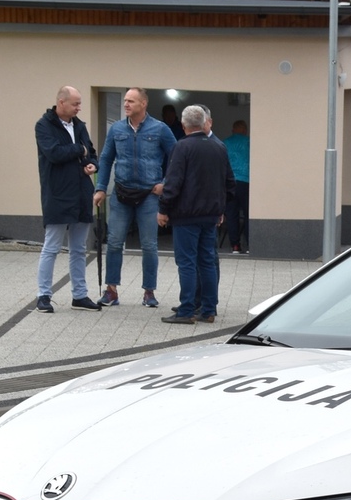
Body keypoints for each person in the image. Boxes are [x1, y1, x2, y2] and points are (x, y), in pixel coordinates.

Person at [93, 87, 177, 308]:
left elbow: (178, 158)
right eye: (125, 101)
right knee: (113, 242)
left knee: (149, 245)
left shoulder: (160, 129)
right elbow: (106, 158)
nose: (126, 104)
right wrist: (100, 188)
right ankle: (111, 290)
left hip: (149, 196)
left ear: (143, 104)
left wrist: (165, 184)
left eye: (131, 101)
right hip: (121, 195)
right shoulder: (117, 129)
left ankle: (149, 292)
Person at [157, 105, 234, 325]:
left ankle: (186, 310)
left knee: (187, 263)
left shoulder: (182, 147)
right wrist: (220, 209)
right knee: (207, 262)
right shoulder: (219, 147)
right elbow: (229, 182)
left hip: (186, 216)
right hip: (210, 216)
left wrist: (163, 209)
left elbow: (173, 183)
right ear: (204, 123)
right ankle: (209, 309)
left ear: (183, 126)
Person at [32, 86, 100, 312]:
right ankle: (43, 295)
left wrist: (92, 163)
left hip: (81, 192)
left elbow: (89, 151)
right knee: (51, 246)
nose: (79, 108)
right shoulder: (44, 125)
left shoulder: (79, 125)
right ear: (61, 102)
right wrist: (78, 150)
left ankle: (79, 295)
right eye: (75, 104)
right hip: (58, 193)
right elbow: (54, 153)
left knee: (79, 248)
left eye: (79, 104)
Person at [222, 119, 250, 253]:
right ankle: (250, 244)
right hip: (247, 183)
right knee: (248, 214)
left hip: (230, 183)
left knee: (231, 215)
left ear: (233, 130)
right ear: (245, 130)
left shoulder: (225, 143)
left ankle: (235, 246)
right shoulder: (250, 143)